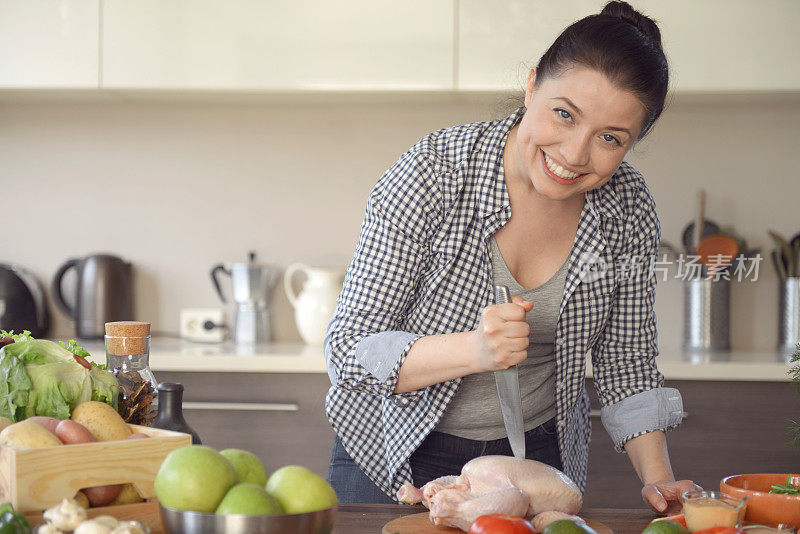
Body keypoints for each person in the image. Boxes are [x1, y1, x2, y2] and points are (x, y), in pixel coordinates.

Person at [324, 0, 700, 515]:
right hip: (394, 456)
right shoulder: (433, 174)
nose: (573, 154)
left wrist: (660, 482)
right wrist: (475, 349)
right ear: (531, 86)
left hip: (532, 463)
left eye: (610, 138)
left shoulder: (627, 207)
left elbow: (626, 360)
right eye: (563, 114)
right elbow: (349, 350)